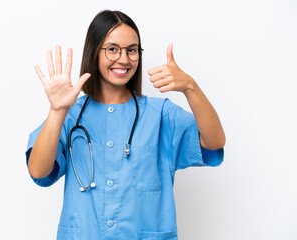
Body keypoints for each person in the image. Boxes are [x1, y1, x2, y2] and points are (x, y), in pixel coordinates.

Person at [26, 10, 225, 240]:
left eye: (132, 50)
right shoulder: (70, 116)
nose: (124, 59)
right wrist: (57, 110)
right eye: (112, 49)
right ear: (94, 52)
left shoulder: (160, 114)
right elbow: (38, 171)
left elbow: (214, 141)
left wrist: (190, 87)